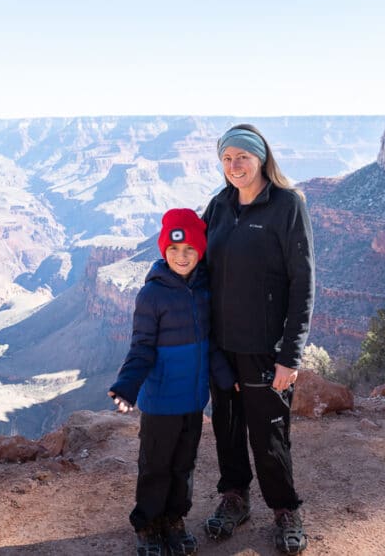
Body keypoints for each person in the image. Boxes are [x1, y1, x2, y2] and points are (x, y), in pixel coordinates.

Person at [201, 124, 315, 555]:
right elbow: (195, 261)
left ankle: (285, 509)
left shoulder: (287, 206)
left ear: (261, 158)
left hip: (265, 347)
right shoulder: (220, 205)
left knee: (269, 433)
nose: (234, 167)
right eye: (226, 159)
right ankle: (235, 497)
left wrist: (291, 354)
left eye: (242, 157)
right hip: (221, 343)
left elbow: (303, 283)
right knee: (227, 428)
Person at [108, 208, 235, 556]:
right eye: (175, 250)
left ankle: (174, 520)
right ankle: (148, 525)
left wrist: (226, 378)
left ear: (200, 251)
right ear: (164, 250)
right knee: (155, 466)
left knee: (184, 465)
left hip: (193, 401)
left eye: (190, 250)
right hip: (161, 402)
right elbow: (141, 349)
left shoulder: (203, 291)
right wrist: (126, 386)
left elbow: (209, 345)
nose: (182, 256)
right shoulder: (152, 295)